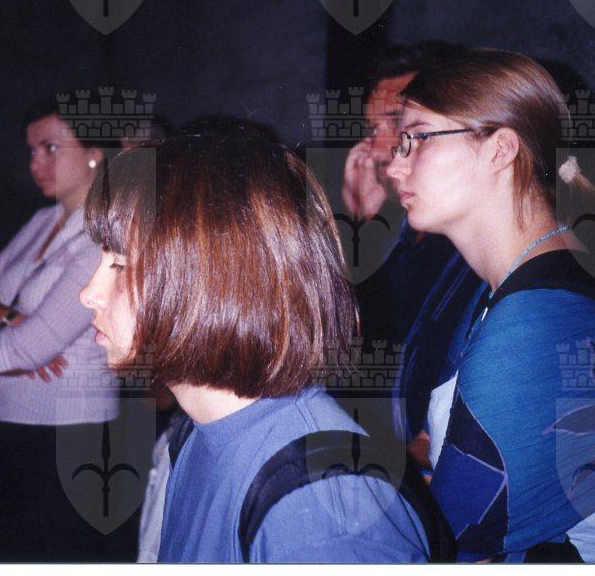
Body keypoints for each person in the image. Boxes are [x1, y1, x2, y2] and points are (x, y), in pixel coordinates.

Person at [78, 126, 433, 563]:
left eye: (120, 263)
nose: (88, 293)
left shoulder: (319, 515)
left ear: (213, 279)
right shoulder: (199, 431)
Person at [386, 49, 595, 562]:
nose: (394, 165)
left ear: (500, 149)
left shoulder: (533, 333)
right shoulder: (508, 286)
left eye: (417, 138)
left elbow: (442, 552)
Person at [0, 96, 118, 560]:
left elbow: (20, 353)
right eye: (31, 151)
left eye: (50, 148)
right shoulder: (42, 220)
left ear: (94, 151)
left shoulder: (108, 233)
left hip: (63, 440)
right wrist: (7, 319)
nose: (34, 163)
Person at [341, 43, 486, 468]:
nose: (379, 149)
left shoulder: (478, 255)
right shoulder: (403, 241)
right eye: (375, 128)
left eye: (402, 124)